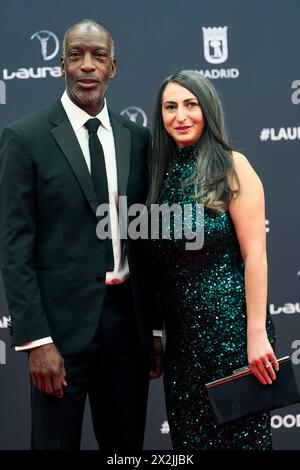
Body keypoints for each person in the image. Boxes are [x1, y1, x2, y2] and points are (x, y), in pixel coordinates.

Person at [0, 19, 163, 450]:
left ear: (113, 67)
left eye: (98, 56)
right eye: (77, 56)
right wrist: (36, 340)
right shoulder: (25, 138)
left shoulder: (138, 139)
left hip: (127, 328)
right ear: (62, 65)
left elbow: (146, 240)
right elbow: (14, 246)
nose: (87, 66)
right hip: (58, 332)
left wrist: (155, 328)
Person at [147, 70, 278, 449]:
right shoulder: (159, 175)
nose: (180, 116)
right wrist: (157, 335)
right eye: (170, 107)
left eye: (191, 104)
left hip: (234, 335)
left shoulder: (232, 166)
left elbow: (255, 256)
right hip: (183, 346)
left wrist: (255, 335)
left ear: (208, 109)